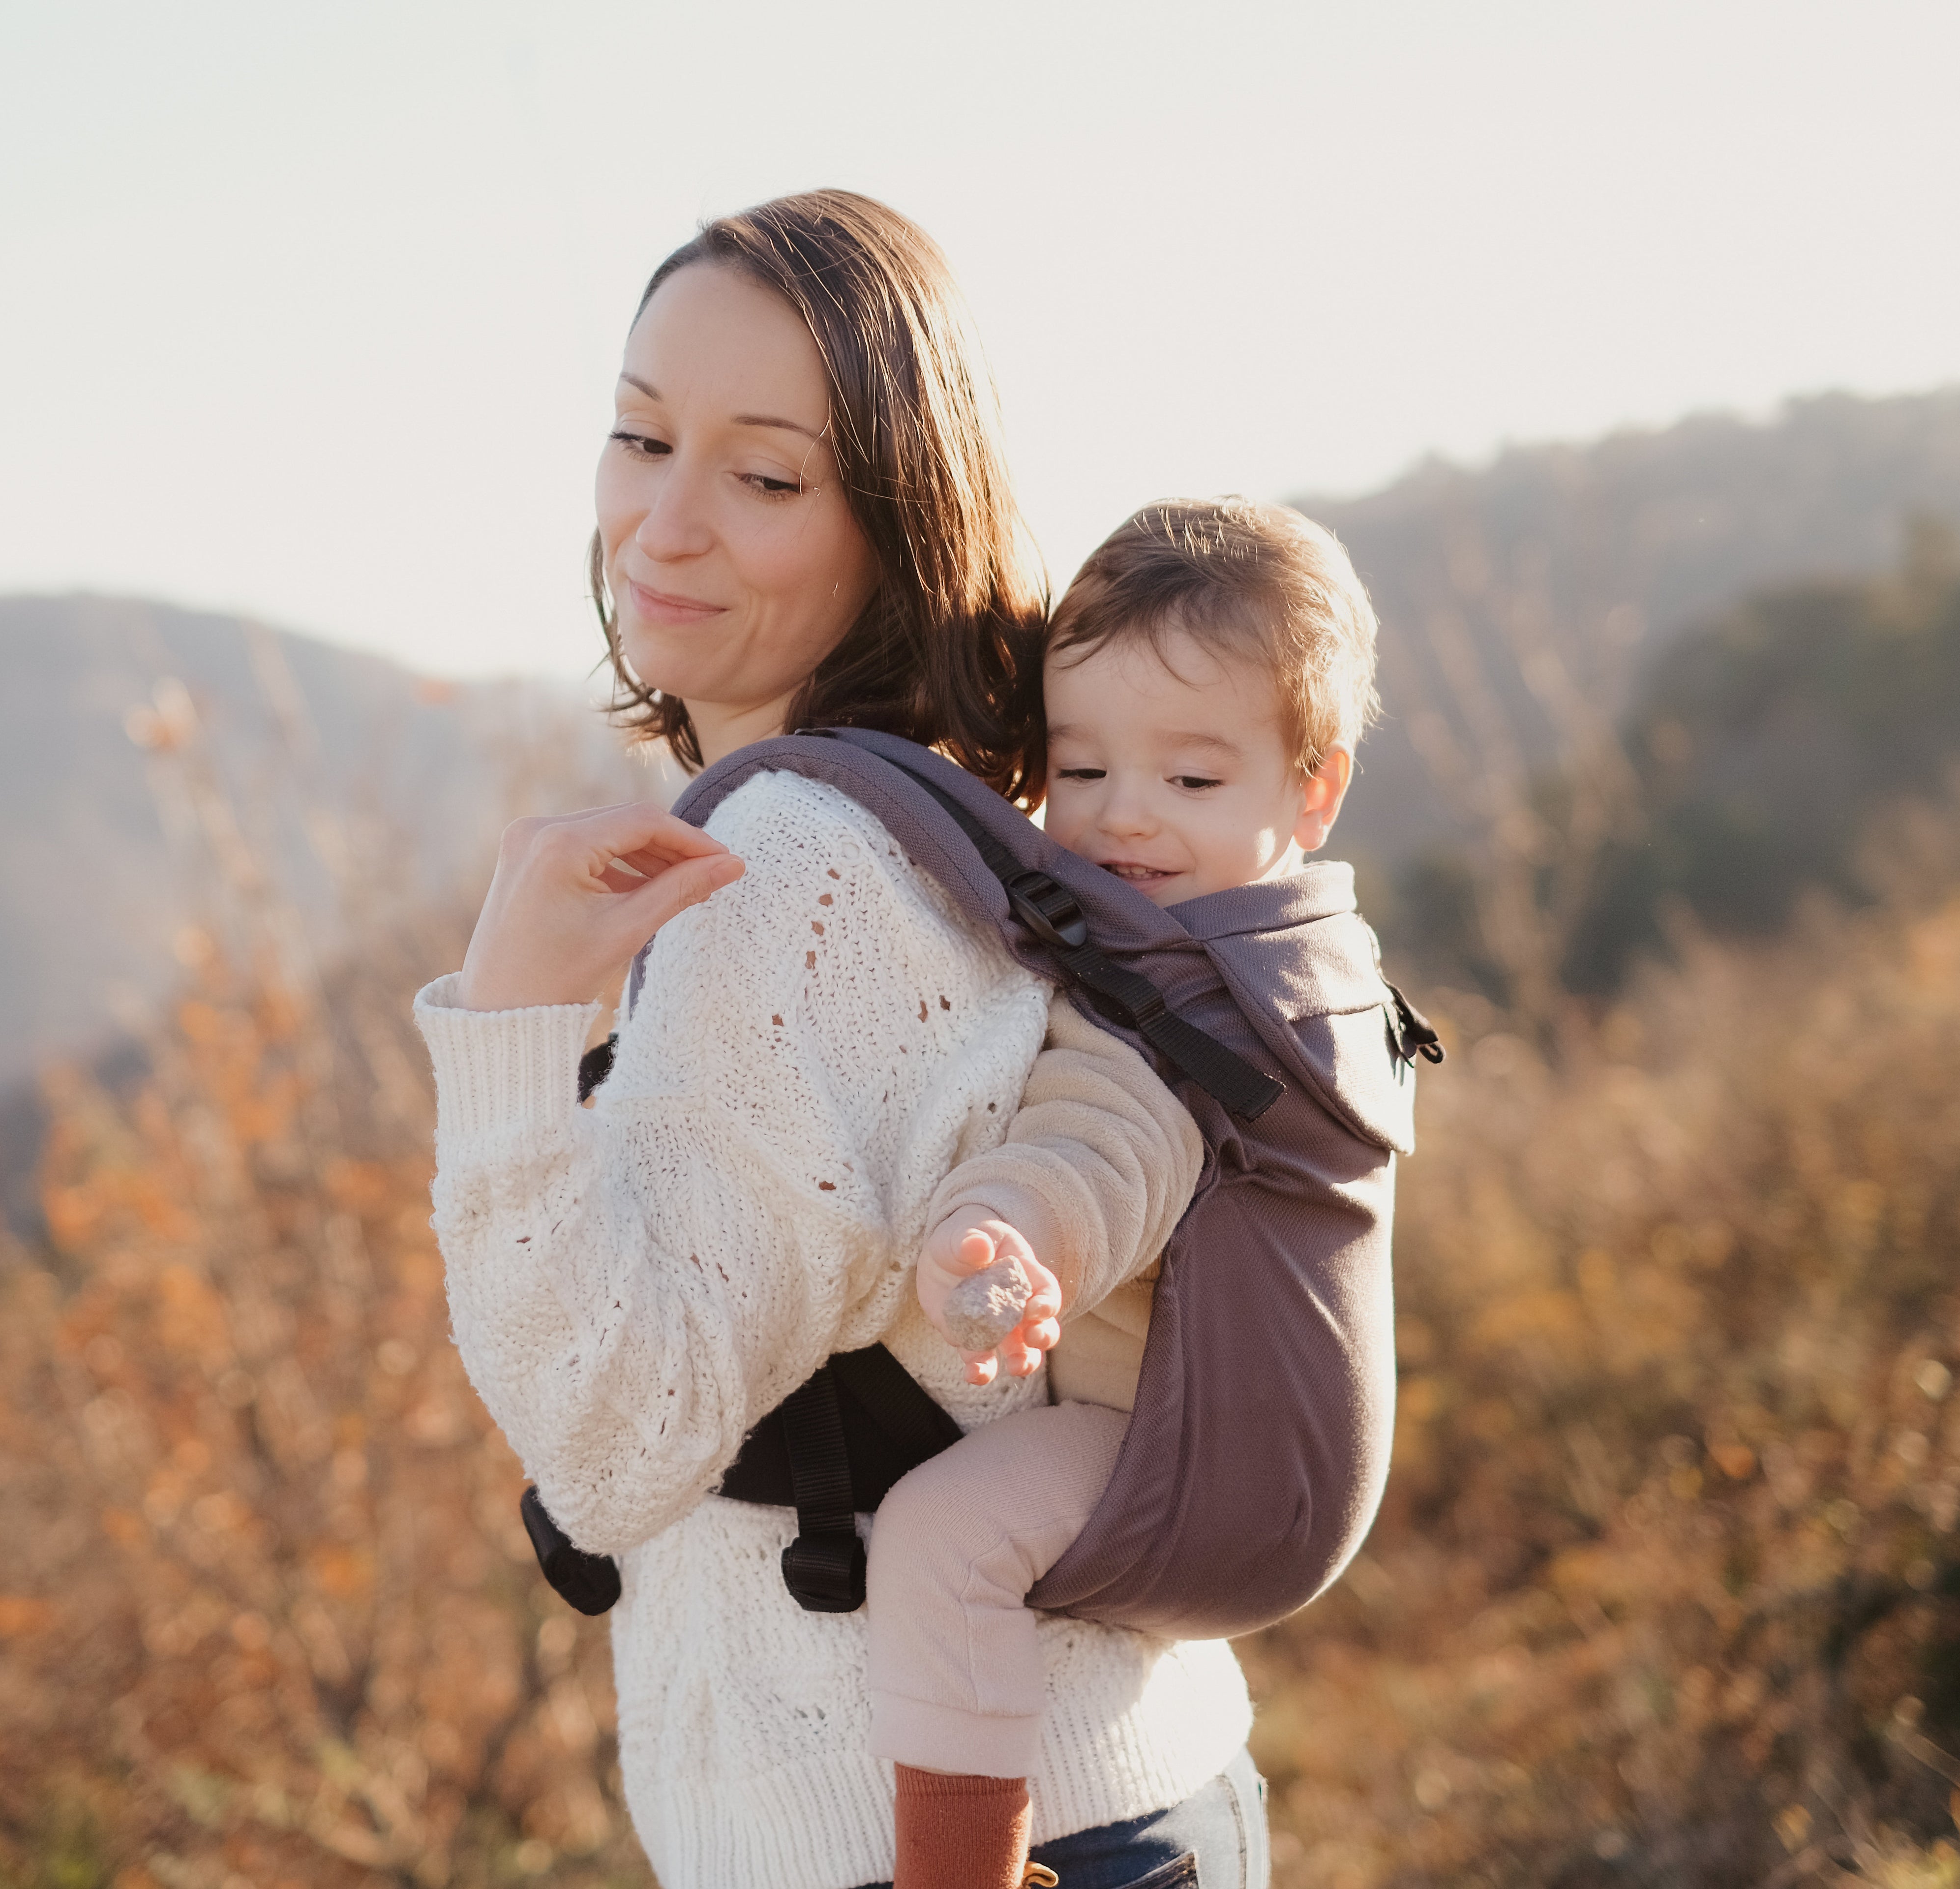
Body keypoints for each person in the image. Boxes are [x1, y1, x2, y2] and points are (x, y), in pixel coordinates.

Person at [412, 193, 1267, 1889]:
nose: (663, 522)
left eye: (767, 475)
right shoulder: (939, 822)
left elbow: (621, 1434)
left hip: (925, 1842)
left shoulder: (794, 870)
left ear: (896, 522)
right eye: (640, 435)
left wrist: (508, 1033)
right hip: (1099, 1798)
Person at [873, 495, 1379, 1886]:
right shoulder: (1316, 956)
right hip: (1269, 1467)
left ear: (1313, 791)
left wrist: (1012, 1231)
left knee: (940, 1539)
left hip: (1180, 1449)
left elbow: (1117, 1138)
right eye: (1079, 769)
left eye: (1193, 783)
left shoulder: (1190, 992)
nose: (1121, 821)